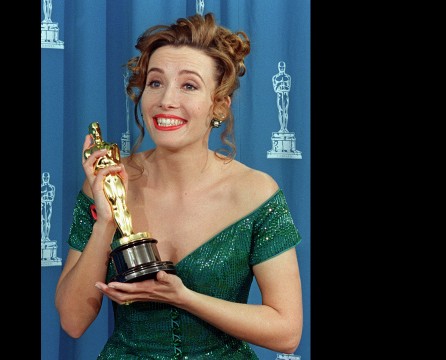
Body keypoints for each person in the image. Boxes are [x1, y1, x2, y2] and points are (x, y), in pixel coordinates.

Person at [55, 12, 303, 359]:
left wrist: (183, 297)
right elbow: (73, 321)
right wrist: (106, 222)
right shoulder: (108, 181)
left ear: (218, 105)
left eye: (189, 85)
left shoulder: (256, 193)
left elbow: (286, 332)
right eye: (155, 83)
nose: (166, 99)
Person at [272, 61, 292, 132]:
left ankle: (285, 128)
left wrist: (283, 86)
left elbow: (288, 87)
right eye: (280, 67)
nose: (282, 68)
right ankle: (281, 128)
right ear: (279, 67)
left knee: (285, 111)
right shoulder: (275, 77)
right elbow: (275, 88)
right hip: (280, 95)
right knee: (280, 111)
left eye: (283, 67)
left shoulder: (287, 77)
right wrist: (280, 85)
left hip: (285, 96)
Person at [41, 171, 55, 241]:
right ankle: (43, 236)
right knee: (43, 220)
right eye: (44, 177)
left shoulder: (51, 187)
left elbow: (52, 197)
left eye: (47, 177)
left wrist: (46, 197)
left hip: (48, 205)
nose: (46, 178)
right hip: (42, 205)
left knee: (48, 221)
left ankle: (46, 237)